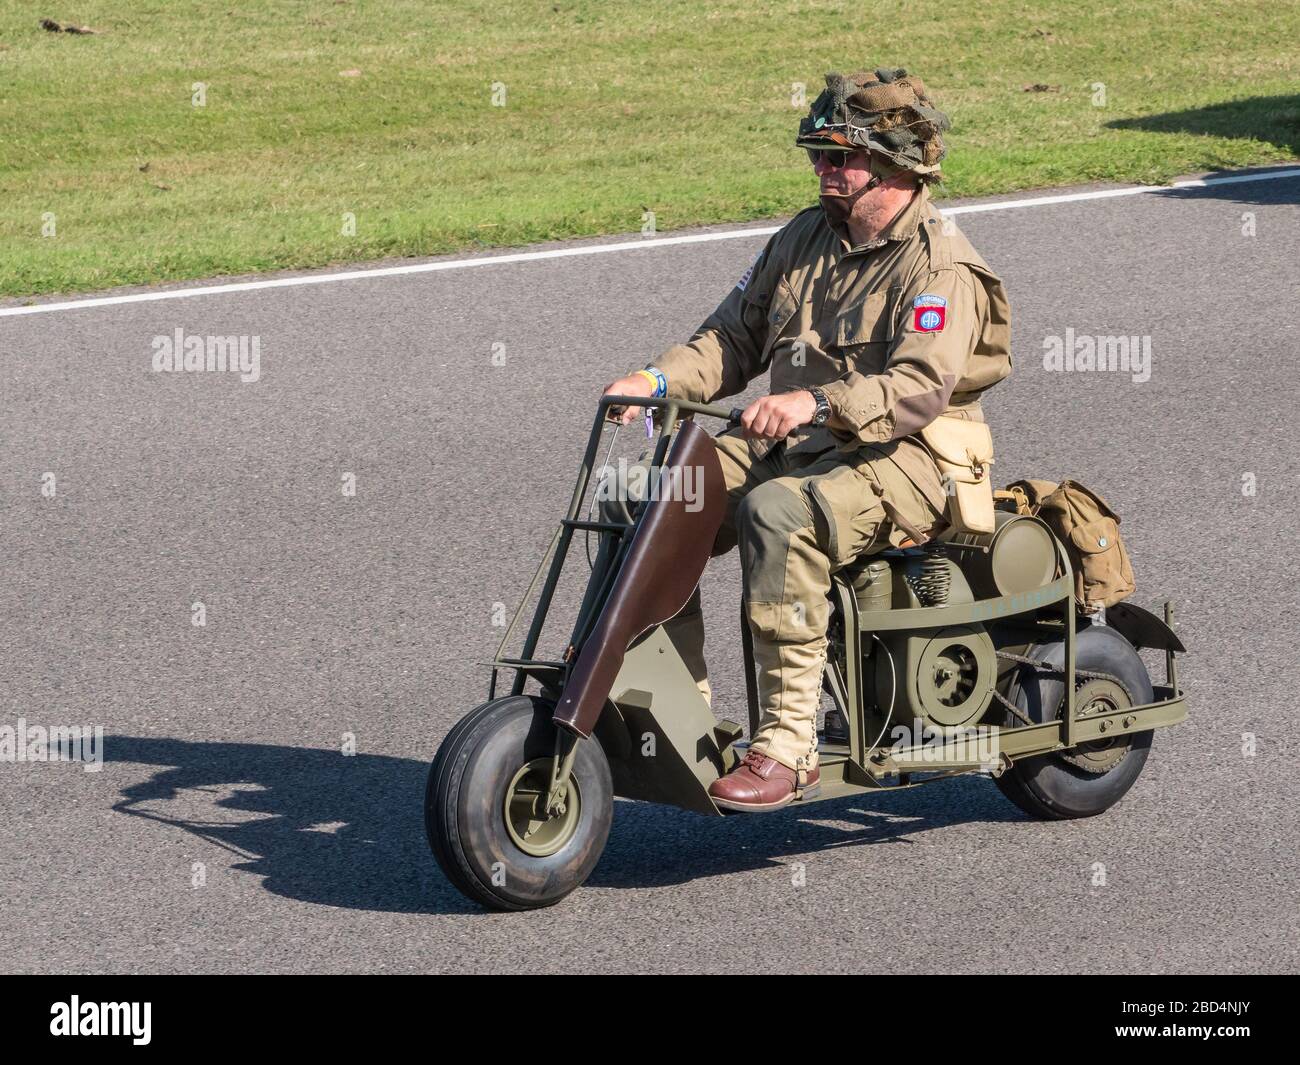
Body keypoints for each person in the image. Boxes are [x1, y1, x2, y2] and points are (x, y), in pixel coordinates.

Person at [602, 67, 1011, 812]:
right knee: (645, 497)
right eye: (816, 156)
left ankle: (788, 748)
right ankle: (679, 716)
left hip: (912, 458)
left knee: (778, 514)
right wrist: (655, 381)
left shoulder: (941, 264)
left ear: (892, 166)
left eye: (838, 158)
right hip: (808, 438)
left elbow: (915, 390)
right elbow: (731, 338)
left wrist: (813, 401)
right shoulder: (802, 237)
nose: (821, 170)